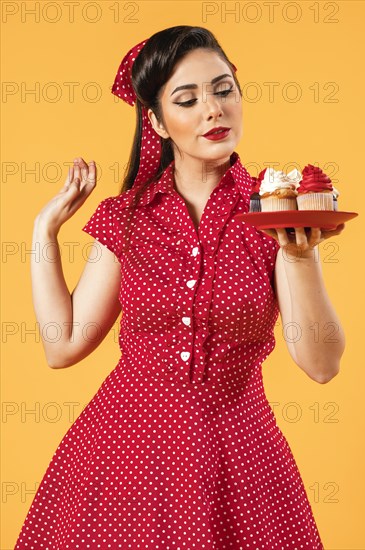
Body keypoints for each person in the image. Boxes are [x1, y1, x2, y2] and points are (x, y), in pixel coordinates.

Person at [15, 25, 345, 549]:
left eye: (223, 89)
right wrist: (43, 232)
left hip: (238, 464)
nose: (213, 110)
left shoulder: (274, 208)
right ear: (157, 122)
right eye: (187, 100)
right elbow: (63, 345)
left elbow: (321, 364)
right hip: (121, 461)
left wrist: (299, 254)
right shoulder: (126, 218)